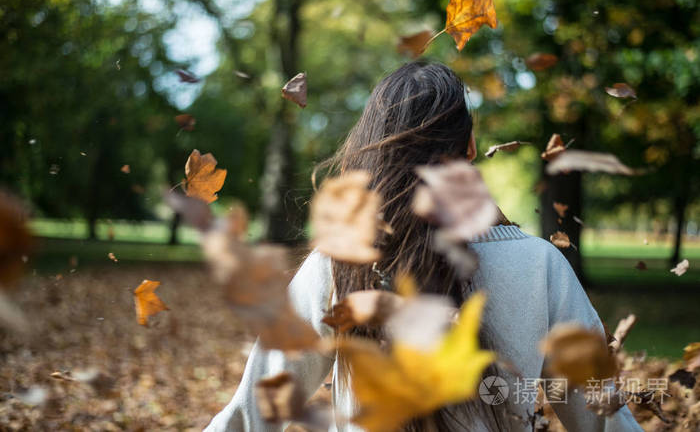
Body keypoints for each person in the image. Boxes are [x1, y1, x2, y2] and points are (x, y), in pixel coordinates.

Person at [205, 62, 642, 431]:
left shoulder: (338, 265)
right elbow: (604, 416)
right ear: (470, 147)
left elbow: (252, 413)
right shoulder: (540, 266)